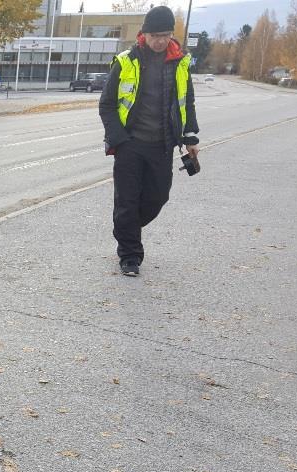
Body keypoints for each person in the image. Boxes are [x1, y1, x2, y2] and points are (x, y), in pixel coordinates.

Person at [98, 5, 199, 277]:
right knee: (127, 201)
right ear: (144, 34)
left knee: (158, 197)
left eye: (166, 35)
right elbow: (107, 105)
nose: (161, 41)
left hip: (163, 145)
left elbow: (186, 101)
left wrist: (190, 137)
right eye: (156, 35)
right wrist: (120, 139)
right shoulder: (126, 61)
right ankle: (130, 256)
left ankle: (125, 228)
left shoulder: (180, 62)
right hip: (130, 145)